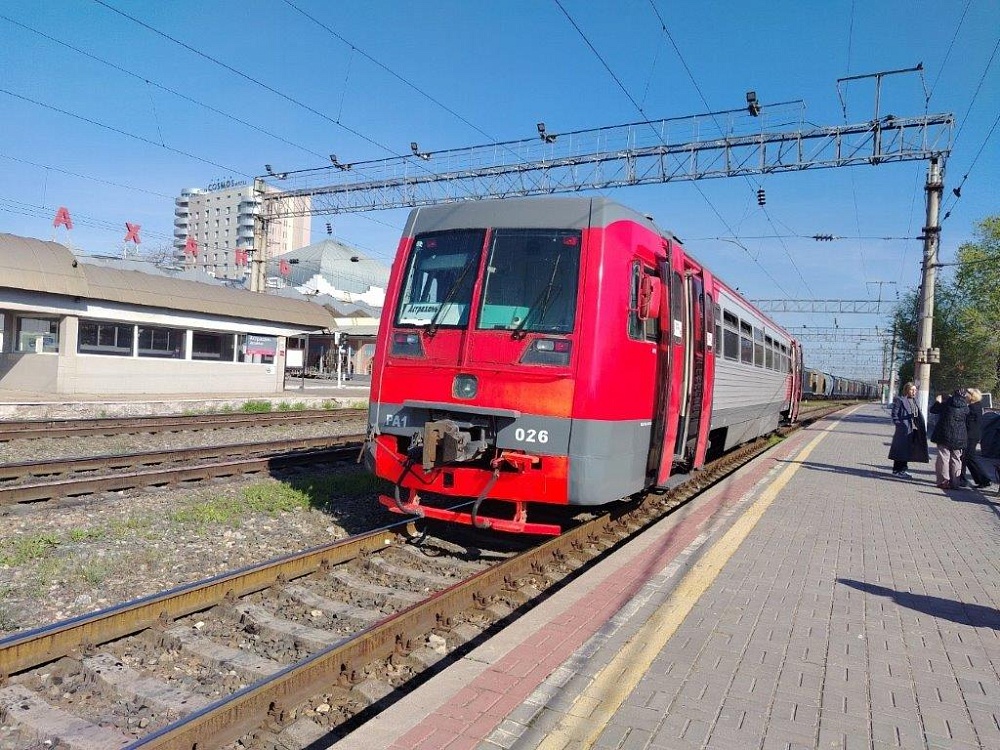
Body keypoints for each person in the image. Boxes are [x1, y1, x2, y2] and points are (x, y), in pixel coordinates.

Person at [929, 389, 970, 489]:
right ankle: (955, 483)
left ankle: (944, 481)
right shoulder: (966, 408)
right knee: (956, 459)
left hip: (944, 435)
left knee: (944, 457)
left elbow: (933, 410)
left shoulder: (946, 404)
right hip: (960, 437)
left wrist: (938, 401)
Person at [888, 382, 928, 478]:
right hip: (903, 430)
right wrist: (900, 424)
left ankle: (902, 470)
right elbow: (894, 414)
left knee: (907, 450)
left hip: (913, 430)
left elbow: (917, 414)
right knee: (900, 450)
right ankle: (898, 470)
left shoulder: (914, 401)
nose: (914, 392)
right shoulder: (900, 400)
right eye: (912, 390)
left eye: (915, 390)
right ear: (906, 390)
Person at [960, 388, 992, 488]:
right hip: (972, 435)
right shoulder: (976, 406)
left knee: (969, 457)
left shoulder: (973, 408)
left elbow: (968, 423)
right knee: (966, 458)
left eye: (967, 394)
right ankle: (978, 480)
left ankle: (984, 479)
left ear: (972, 396)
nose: (965, 396)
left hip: (970, 436)